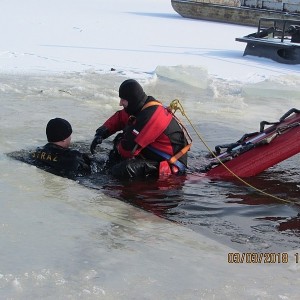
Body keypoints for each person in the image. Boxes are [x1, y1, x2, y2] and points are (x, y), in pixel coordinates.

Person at [90, 79, 191, 179]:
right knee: (121, 140)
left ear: (132, 99)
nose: (120, 103)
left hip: (172, 166)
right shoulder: (142, 106)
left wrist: (118, 145)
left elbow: (128, 151)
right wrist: (101, 132)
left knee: (124, 169)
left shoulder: (150, 116)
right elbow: (121, 117)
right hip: (154, 154)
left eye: (123, 99)